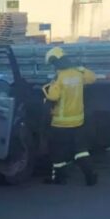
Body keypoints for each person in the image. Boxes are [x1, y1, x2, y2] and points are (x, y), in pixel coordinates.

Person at [43, 47, 99, 186]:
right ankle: (90, 175)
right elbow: (93, 78)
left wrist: (46, 89)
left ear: (55, 62)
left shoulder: (59, 77)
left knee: (58, 153)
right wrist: (81, 68)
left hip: (60, 124)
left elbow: (54, 96)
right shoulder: (78, 73)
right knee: (80, 150)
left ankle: (60, 178)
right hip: (78, 121)